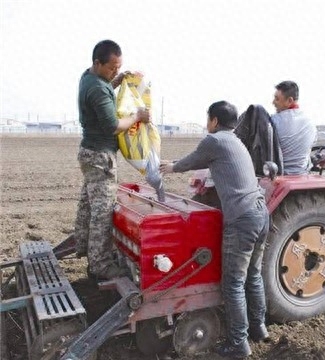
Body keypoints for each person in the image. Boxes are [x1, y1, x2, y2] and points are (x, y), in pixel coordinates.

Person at [160, 101, 270, 358]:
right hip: (261, 214)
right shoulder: (234, 141)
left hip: (242, 219)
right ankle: (259, 328)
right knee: (253, 275)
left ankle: (238, 344)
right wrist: (175, 163)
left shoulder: (214, 141)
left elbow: (192, 160)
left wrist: (171, 167)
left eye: (207, 118)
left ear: (214, 121)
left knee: (232, 283)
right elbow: (203, 162)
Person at [74, 39, 150, 281]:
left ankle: (84, 248)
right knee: (102, 212)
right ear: (97, 63)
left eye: (118, 67)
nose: (115, 71)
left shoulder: (88, 77)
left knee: (88, 205)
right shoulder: (97, 88)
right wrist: (137, 115)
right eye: (112, 68)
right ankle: (100, 265)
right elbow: (114, 126)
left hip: (89, 153)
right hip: (100, 157)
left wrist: (117, 81)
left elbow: (104, 87)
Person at [271, 80, 317, 174]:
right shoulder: (310, 122)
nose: (273, 102)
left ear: (289, 101)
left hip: (279, 175)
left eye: (277, 99)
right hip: (302, 175)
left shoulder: (273, 121)